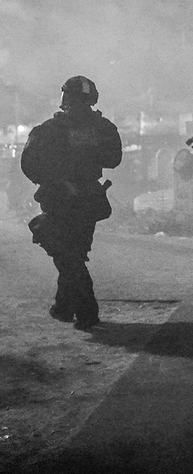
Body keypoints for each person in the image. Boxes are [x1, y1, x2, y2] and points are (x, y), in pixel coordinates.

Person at [21, 77, 122, 331]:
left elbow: (29, 164)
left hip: (60, 199)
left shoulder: (49, 129)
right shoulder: (103, 127)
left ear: (65, 97)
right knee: (74, 253)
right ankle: (64, 307)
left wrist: (54, 177)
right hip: (88, 198)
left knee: (68, 256)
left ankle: (87, 311)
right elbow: (114, 159)